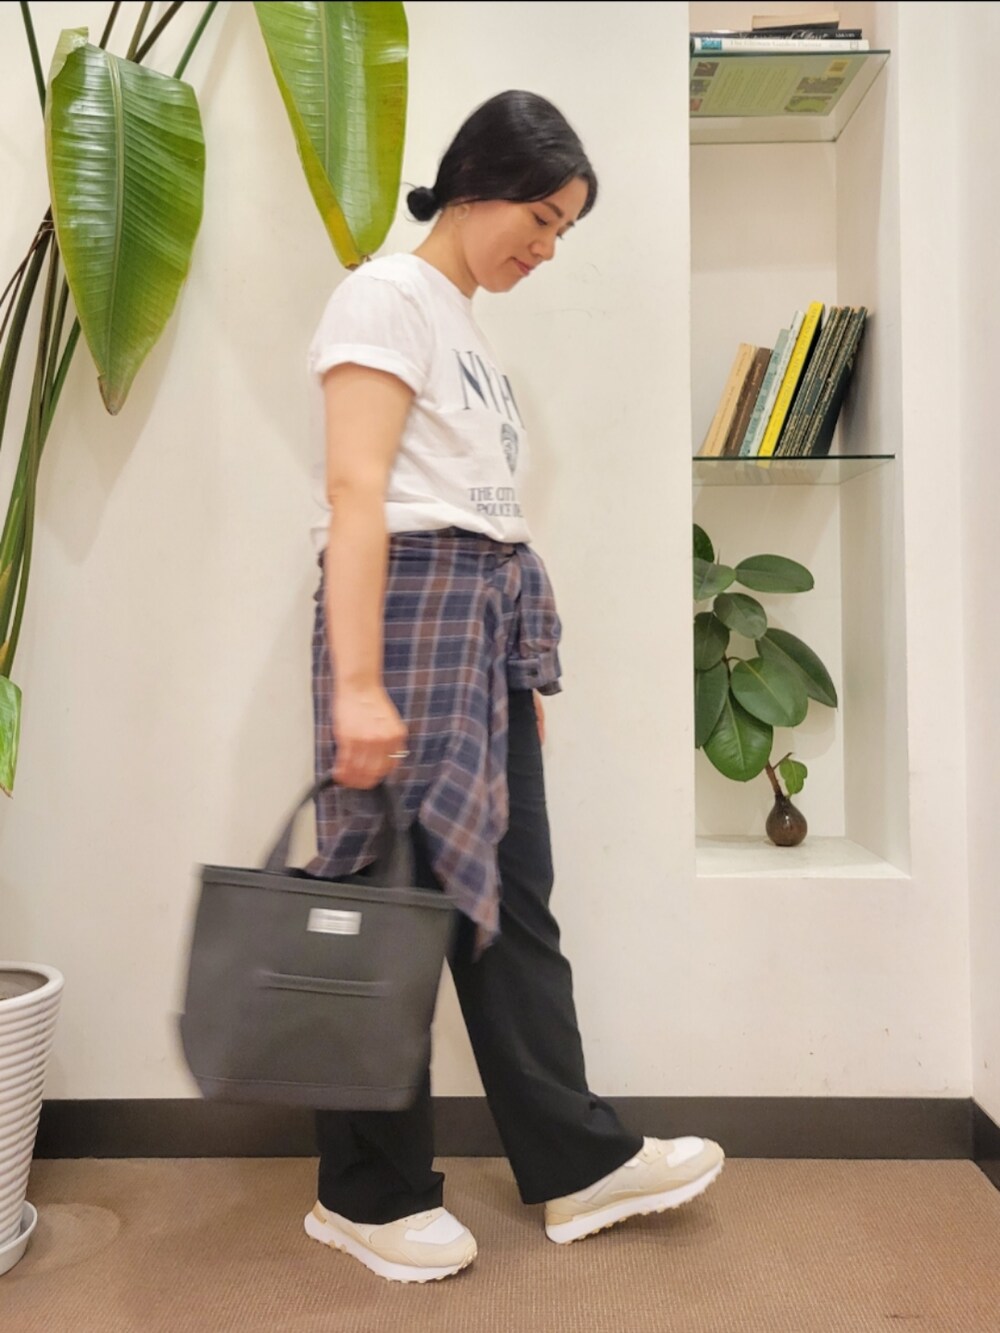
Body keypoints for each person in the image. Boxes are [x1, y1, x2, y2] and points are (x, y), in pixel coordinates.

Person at [301, 90, 724, 1285]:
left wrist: (510, 673)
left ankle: (576, 1162)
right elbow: (357, 492)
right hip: (401, 624)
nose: (545, 249)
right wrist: (360, 684)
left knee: (510, 907)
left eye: (562, 231)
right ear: (474, 185)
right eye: (539, 218)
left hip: (476, 642)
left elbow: (478, 511)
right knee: (388, 911)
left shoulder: (465, 327)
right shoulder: (385, 296)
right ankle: (365, 1196)